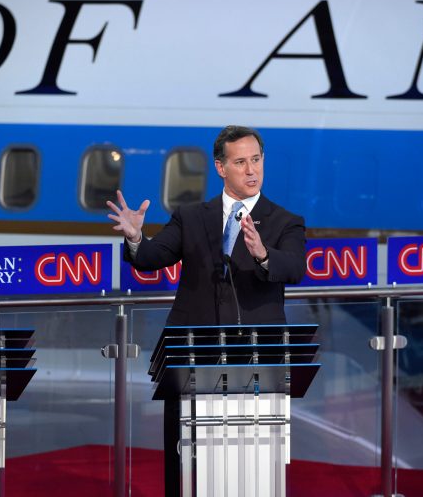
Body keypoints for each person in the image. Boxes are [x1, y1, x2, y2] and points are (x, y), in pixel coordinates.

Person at [107, 125, 306, 496]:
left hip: (257, 360)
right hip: (193, 360)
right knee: (188, 466)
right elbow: (151, 258)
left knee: (252, 469)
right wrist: (135, 237)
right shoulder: (192, 216)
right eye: (241, 162)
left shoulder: (284, 220)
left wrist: (263, 253)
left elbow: (295, 267)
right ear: (221, 167)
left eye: (257, 160)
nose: (252, 170)